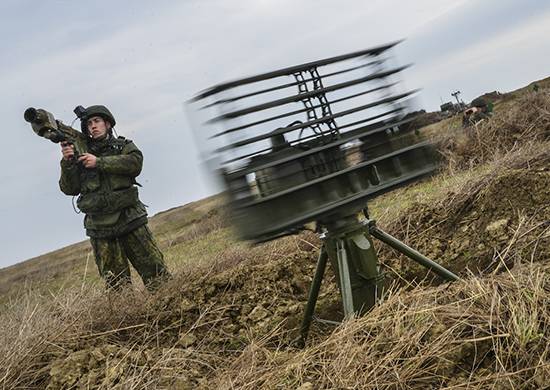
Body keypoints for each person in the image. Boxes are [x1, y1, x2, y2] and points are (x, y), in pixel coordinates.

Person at [59, 105, 170, 290]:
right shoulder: (79, 156)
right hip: (100, 229)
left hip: (131, 220)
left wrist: (99, 162)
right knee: (117, 286)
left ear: (107, 124)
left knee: (156, 275)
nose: (93, 126)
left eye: (97, 122)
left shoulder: (123, 146)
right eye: (89, 124)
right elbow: (69, 189)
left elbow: (135, 163)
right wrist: (68, 162)